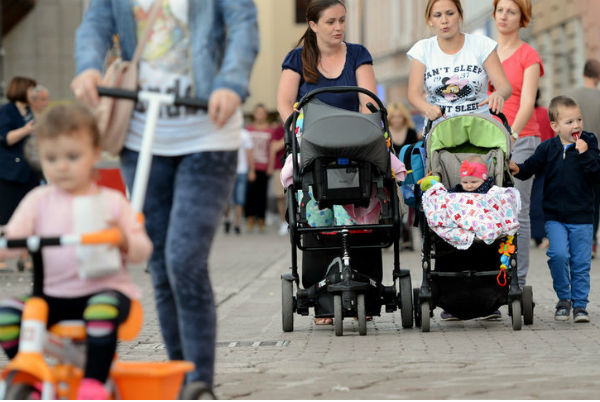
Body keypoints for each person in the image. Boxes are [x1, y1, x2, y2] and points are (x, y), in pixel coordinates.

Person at [71, 0, 258, 392]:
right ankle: (181, 376)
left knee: (183, 259)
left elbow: (242, 26)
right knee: (158, 263)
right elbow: (95, 25)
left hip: (208, 134)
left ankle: (200, 382)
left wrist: (230, 82)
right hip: (141, 138)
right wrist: (88, 65)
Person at [0, 103, 152, 399]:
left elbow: (142, 250)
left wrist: (122, 239)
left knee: (100, 307)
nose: (62, 166)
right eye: (51, 158)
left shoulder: (111, 202)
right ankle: (31, 376)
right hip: (51, 296)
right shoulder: (38, 200)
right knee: (6, 315)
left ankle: (93, 382)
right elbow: (13, 240)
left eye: (72, 156)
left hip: (105, 291)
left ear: (96, 154)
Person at [277, 0, 378, 325]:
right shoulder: (297, 59)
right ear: (313, 24)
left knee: (365, 205)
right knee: (316, 214)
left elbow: (368, 100)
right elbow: (285, 102)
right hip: (315, 145)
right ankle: (320, 297)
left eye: (342, 21)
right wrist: (300, 133)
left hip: (354, 144)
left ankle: (370, 292)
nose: (338, 27)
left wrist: (361, 132)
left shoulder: (358, 54)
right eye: (331, 21)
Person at [509, 95, 600, 323]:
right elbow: (529, 168)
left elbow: (596, 173)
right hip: (555, 217)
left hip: (582, 217)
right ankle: (563, 299)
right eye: (569, 122)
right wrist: (515, 168)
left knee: (580, 263)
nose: (576, 125)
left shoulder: (589, 142)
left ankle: (580, 305)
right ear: (555, 126)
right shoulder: (547, 147)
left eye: (578, 119)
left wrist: (585, 153)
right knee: (558, 256)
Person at [491, 0, 543, 290]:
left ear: (522, 19)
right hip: (488, 140)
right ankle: (491, 282)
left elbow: (527, 104)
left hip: (521, 139)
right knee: (487, 209)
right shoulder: (486, 52)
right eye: (501, 10)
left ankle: (517, 284)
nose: (504, 16)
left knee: (517, 213)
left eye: (512, 12)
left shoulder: (528, 56)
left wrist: (511, 135)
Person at [407, 0, 512, 134]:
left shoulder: (482, 45)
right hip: (440, 131)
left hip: (479, 128)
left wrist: (498, 94)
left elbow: (505, 87)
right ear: (430, 20)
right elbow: (413, 94)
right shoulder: (422, 49)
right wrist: (427, 108)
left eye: (450, 13)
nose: (444, 20)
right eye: (437, 15)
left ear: (460, 16)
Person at [0, 77, 39, 271]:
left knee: (28, 215)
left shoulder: (30, 112)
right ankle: (1, 255)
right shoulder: (6, 111)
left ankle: (25, 256)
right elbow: (6, 138)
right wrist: (26, 130)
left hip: (29, 171)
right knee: (5, 216)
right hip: (9, 173)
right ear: (22, 90)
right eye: (32, 89)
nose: (35, 93)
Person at [565, 59, 600, 258]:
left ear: (583, 73)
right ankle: (592, 242)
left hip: (574, 153)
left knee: (574, 198)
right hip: (596, 156)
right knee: (594, 201)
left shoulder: (572, 96)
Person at [245, 104, 275, 232]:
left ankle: (261, 220)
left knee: (262, 194)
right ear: (254, 114)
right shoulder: (248, 130)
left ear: (266, 115)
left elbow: (272, 149)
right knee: (250, 193)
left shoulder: (270, 131)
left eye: (262, 112)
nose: (260, 115)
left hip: (264, 166)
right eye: (258, 112)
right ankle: (250, 219)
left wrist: (270, 166)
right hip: (250, 167)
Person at [530, 90, 553, 248]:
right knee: (541, 196)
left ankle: (534, 233)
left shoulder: (521, 113)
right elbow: (553, 135)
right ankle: (542, 234)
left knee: (528, 197)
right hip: (546, 159)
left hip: (525, 159)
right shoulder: (545, 113)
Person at [224, 128, 255, 235]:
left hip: (242, 170)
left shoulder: (245, 134)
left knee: (240, 199)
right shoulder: (225, 132)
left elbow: (249, 153)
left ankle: (237, 224)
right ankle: (227, 219)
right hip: (228, 172)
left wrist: (252, 170)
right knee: (227, 199)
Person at [267, 119, 288, 236]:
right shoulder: (278, 131)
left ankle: (294, 222)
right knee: (280, 197)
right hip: (279, 167)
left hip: (295, 167)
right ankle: (284, 222)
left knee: (293, 197)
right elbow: (273, 148)